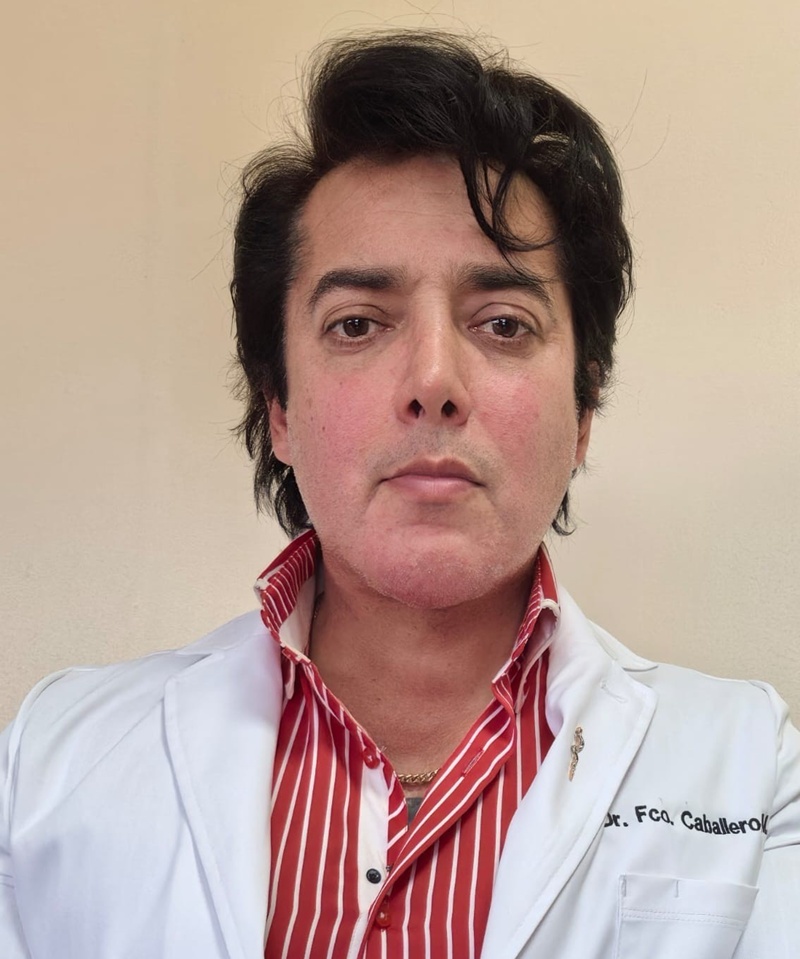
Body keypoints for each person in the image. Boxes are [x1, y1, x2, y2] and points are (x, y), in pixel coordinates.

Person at [1, 30, 798, 959]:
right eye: (357, 324)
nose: (432, 380)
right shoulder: (51, 763)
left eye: (504, 323)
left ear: (583, 409)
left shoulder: (753, 767)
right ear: (280, 408)